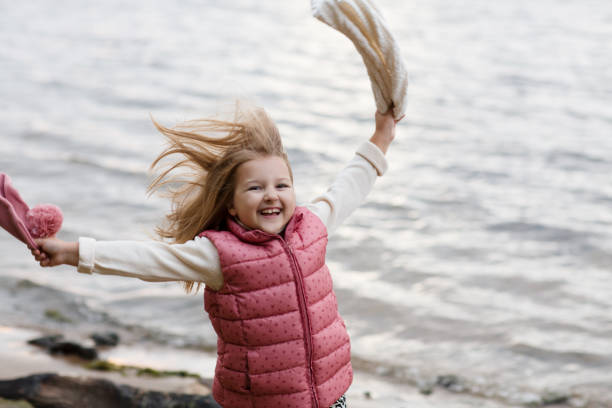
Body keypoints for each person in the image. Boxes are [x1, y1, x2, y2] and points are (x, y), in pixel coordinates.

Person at [30, 102, 402, 408]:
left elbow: (350, 185)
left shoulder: (313, 227)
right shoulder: (219, 254)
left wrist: (382, 135)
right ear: (233, 206)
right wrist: (70, 252)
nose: (271, 195)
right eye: (255, 188)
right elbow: (149, 259)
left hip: (329, 394)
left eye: (281, 185)